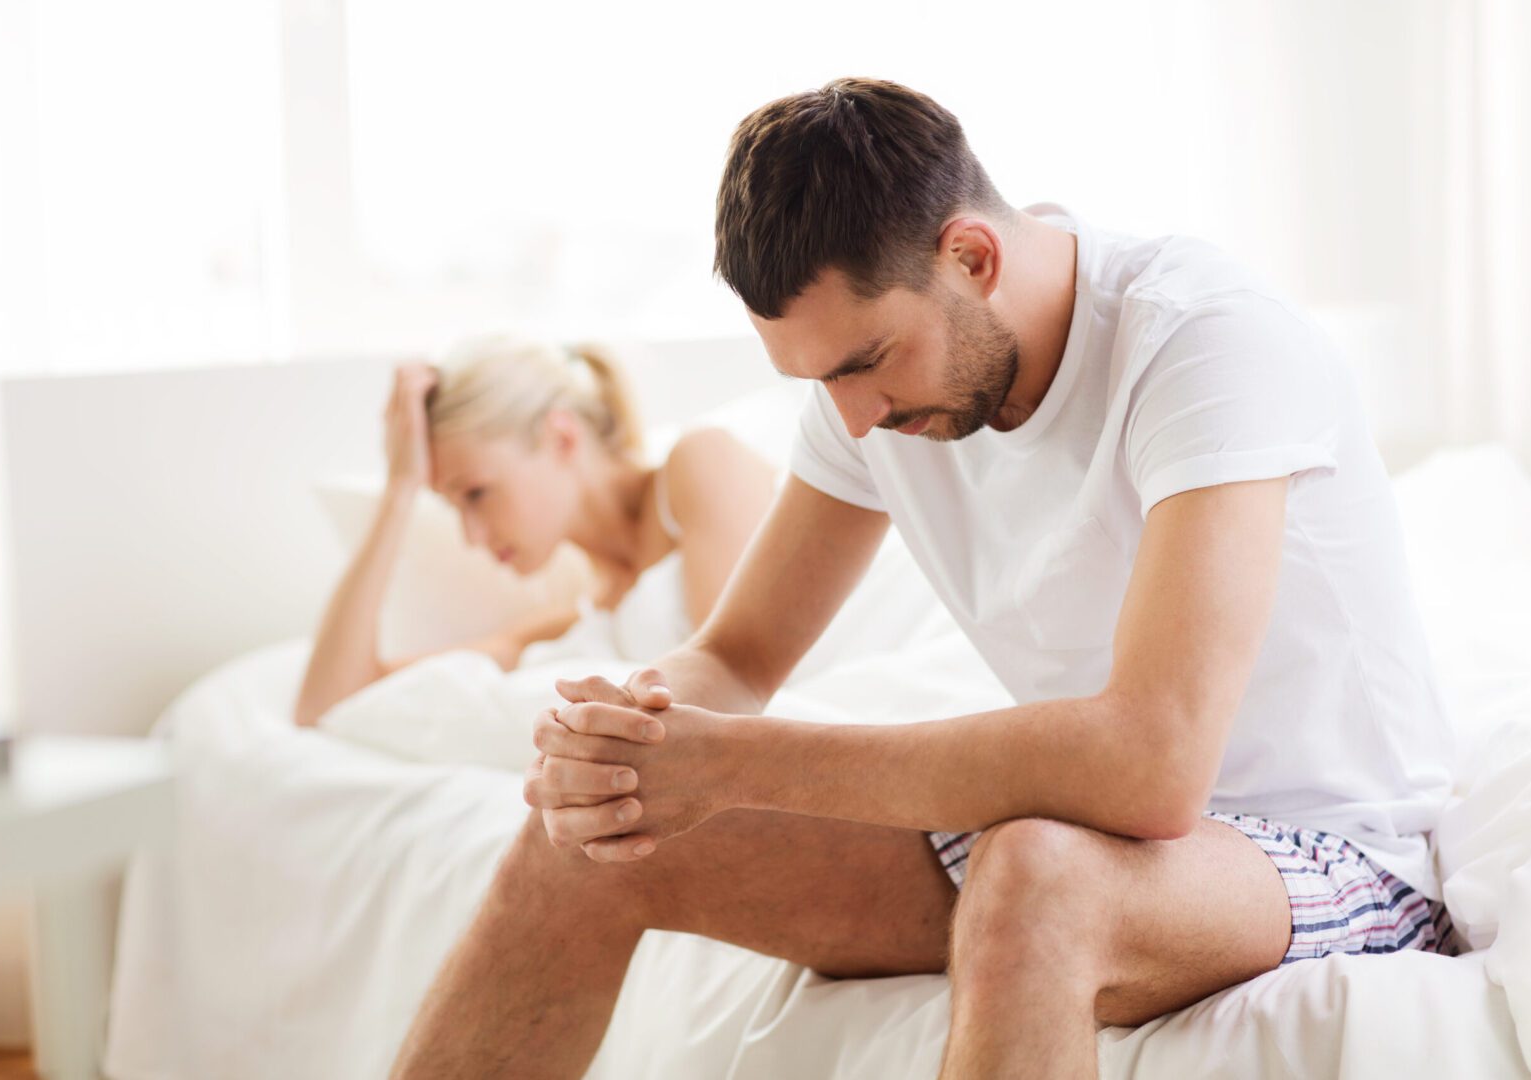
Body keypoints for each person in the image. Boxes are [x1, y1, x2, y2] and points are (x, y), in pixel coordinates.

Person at [389, 78, 1458, 1079]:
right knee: (591, 841)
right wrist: (626, 748)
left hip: (1328, 850)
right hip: (1091, 839)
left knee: (1036, 872)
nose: (854, 419)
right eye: (818, 380)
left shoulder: (1202, 341)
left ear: (972, 257)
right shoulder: (867, 399)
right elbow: (739, 655)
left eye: (864, 363)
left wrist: (736, 764)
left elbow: (1153, 764)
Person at [291, 336, 777, 729]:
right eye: (453, 506)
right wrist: (399, 489)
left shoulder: (702, 463)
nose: (472, 536)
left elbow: (737, 695)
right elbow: (329, 702)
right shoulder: (579, 624)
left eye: (476, 494)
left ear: (561, 438)